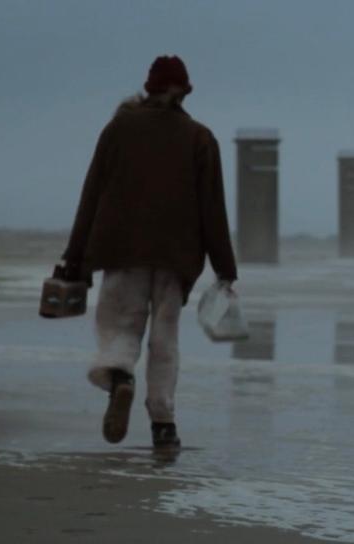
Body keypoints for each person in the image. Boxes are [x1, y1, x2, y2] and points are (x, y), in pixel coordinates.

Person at [62, 55, 238, 449]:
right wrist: (225, 270)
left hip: (121, 249)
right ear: (184, 92)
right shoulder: (200, 138)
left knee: (121, 328)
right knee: (165, 339)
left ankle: (121, 377)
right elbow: (213, 209)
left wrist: (76, 258)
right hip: (177, 257)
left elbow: (91, 195)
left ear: (149, 87)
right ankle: (163, 423)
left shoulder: (119, 129)